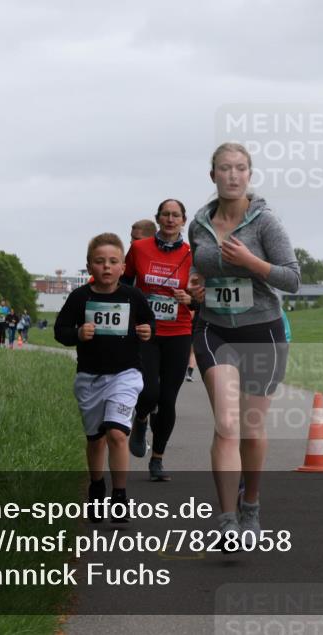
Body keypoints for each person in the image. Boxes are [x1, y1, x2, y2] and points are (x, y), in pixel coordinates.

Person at [187, 142, 300, 549]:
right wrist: (197, 285)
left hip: (262, 331)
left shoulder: (266, 223)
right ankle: (227, 519)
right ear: (212, 175)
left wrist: (252, 263)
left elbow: (292, 277)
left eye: (240, 168)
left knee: (251, 429)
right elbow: (199, 269)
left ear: (249, 175)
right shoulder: (199, 224)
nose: (232, 175)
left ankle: (250, 503)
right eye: (224, 168)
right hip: (214, 329)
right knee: (227, 425)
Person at [55, 233, 155, 524]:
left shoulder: (132, 296)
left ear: (123, 267)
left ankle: (120, 496)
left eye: (113, 262)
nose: (107, 267)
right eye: (100, 262)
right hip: (89, 378)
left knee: (116, 434)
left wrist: (148, 331)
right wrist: (77, 334)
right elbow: (60, 330)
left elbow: (150, 323)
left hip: (125, 375)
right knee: (96, 439)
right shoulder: (80, 297)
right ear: (89, 267)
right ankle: (97, 488)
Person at [124, 199, 195, 481]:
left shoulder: (193, 254)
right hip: (147, 331)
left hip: (179, 331)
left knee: (168, 399)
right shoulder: (139, 249)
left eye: (175, 215)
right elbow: (125, 284)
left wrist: (190, 298)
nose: (169, 219)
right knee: (149, 391)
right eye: (165, 214)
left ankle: (158, 460)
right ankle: (140, 419)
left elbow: (201, 295)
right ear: (158, 219)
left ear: (183, 221)